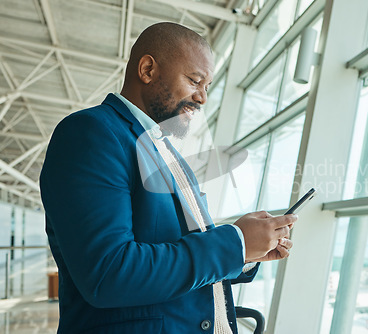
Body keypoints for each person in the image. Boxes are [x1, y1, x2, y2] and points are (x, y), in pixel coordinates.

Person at [40, 22, 296, 334]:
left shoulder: (167, 153)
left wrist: (248, 252)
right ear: (147, 70)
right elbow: (109, 273)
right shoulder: (91, 134)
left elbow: (183, 251)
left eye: (208, 86)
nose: (202, 98)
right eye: (195, 80)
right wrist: (235, 243)